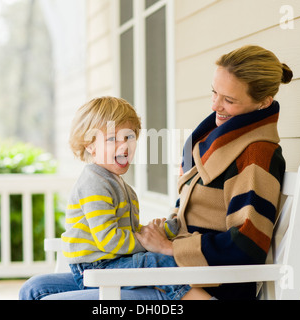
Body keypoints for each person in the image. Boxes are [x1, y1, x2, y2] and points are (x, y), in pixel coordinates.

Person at [19, 45, 292, 300]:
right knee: (34, 289)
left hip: (204, 281)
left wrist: (167, 247)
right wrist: (162, 233)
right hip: (171, 268)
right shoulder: (216, 142)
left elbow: (247, 245)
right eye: (214, 93)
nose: (214, 106)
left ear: (263, 103)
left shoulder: (255, 154)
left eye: (228, 100)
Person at [53, 96, 209, 300]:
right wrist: (149, 241)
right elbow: (110, 240)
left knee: (155, 259)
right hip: (96, 267)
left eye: (129, 137)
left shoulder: (119, 185)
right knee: (159, 261)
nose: (124, 146)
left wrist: (158, 231)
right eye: (112, 139)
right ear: (90, 146)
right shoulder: (95, 184)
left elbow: (127, 233)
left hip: (109, 261)